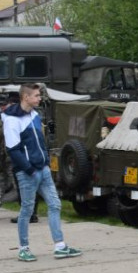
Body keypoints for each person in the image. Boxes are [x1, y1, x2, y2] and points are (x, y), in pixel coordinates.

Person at [2, 83, 82, 262]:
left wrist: (45, 163)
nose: (40, 98)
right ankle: (23, 249)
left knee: (55, 204)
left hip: (43, 169)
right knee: (27, 210)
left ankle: (60, 246)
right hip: (27, 172)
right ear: (26, 97)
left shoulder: (35, 115)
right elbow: (13, 150)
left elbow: (40, 141)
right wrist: (29, 169)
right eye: (37, 96)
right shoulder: (12, 120)